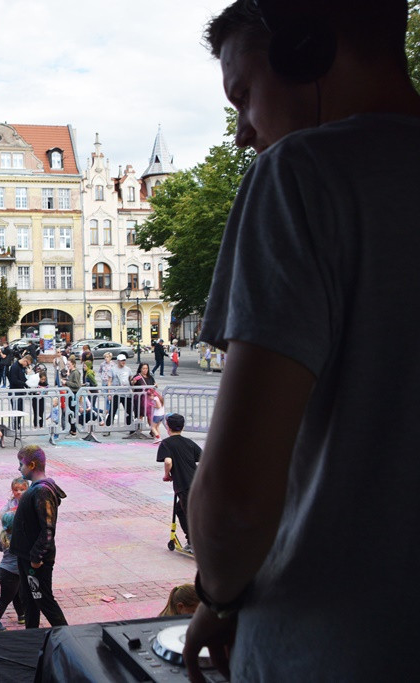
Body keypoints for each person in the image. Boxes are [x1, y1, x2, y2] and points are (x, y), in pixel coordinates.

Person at [184, 3, 420, 680]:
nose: (241, 132)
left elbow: (234, 501)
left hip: (332, 646)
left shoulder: (300, 175)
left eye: (244, 96)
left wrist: (217, 595)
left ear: (309, 51)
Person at [12, 445, 68, 629]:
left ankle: (69, 637)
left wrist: (36, 557)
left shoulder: (42, 491)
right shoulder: (37, 489)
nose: (19, 468)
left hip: (35, 561)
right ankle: (31, 637)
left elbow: (48, 530)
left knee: (43, 599)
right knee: (29, 600)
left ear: (32, 465)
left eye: (21, 464)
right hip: (26, 556)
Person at [157, 413, 201, 552]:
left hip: (184, 485)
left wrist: (167, 475)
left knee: (189, 513)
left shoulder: (166, 443)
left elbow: (168, 461)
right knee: (180, 510)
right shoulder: (189, 442)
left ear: (167, 427)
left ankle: (194, 543)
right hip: (196, 482)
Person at [0, 510, 27, 631]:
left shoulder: (4, 534)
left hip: (3, 571)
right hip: (11, 574)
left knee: (16, 594)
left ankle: (22, 615)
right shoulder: (19, 537)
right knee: (5, 599)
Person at [107, 354, 133, 427]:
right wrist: (109, 393)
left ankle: (130, 427)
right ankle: (108, 427)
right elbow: (109, 381)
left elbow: (130, 379)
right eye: (122, 360)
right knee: (112, 411)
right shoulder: (113, 369)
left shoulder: (128, 369)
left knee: (129, 411)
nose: (123, 362)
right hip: (116, 393)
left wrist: (133, 384)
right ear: (118, 361)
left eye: (124, 360)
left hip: (126, 393)